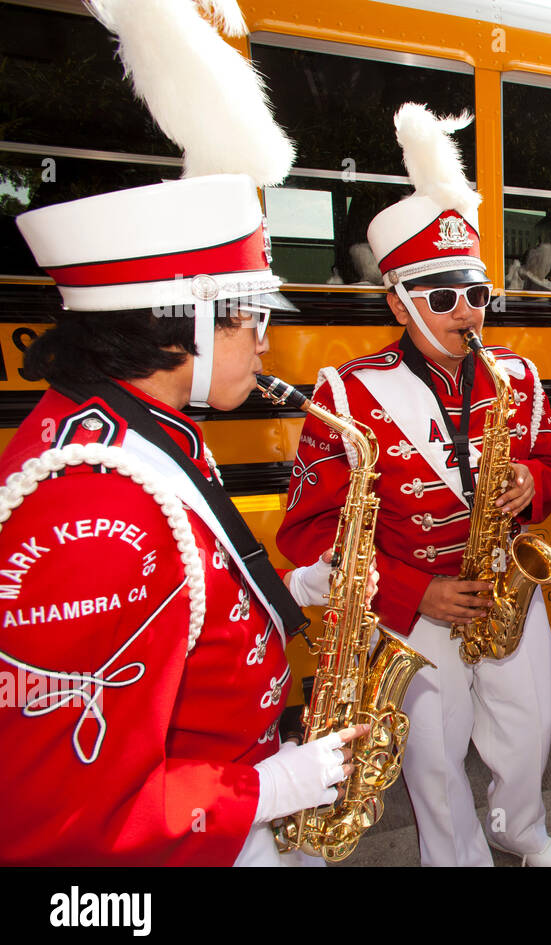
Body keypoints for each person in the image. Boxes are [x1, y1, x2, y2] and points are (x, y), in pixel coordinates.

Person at [0, 0, 360, 866]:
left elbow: (192, 589)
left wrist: (298, 588)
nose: (266, 338)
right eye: (245, 316)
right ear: (177, 326)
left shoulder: (150, 433)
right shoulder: (97, 509)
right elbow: (64, 814)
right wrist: (269, 789)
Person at [277, 105, 551, 868]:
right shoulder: (345, 395)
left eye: (475, 292)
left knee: (532, 722)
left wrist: (528, 486)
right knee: (434, 759)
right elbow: (311, 538)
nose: (466, 312)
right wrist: (412, 593)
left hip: (506, 589)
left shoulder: (519, 375)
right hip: (414, 606)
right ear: (398, 302)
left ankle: (519, 824)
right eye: (441, 298)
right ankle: (458, 858)